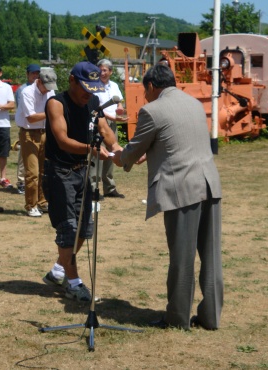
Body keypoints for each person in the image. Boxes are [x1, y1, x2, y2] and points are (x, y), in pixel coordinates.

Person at [113, 64, 224, 330]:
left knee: (182, 258)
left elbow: (134, 148)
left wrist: (117, 156)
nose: (145, 95)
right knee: (211, 256)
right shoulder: (194, 103)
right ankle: (211, 317)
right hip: (210, 183)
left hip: (182, 188)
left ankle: (177, 318)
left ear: (151, 86)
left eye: (145, 90)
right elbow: (175, 140)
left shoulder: (152, 110)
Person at [42, 61, 121, 302]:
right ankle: (74, 283)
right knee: (68, 230)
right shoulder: (56, 103)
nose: (90, 94)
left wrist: (117, 150)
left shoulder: (94, 103)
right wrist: (93, 150)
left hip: (82, 173)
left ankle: (58, 270)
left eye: (94, 89)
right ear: (72, 81)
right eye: (86, 88)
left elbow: (105, 129)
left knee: (85, 229)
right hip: (59, 173)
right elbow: (63, 140)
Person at [15, 68, 56, 217]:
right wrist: (52, 112)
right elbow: (31, 117)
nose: (49, 91)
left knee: (45, 171)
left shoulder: (50, 91)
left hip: (45, 132)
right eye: (46, 86)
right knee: (32, 173)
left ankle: (42, 202)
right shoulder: (27, 92)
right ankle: (31, 205)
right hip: (29, 134)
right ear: (38, 81)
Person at [91, 59, 128, 200]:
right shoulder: (94, 86)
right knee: (98, 154)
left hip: (112, 123)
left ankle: (109, 188)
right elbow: (96, 108)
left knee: (112, 153)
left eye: (105, 70)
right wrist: (111, 118)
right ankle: (93, 187)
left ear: (111, 72)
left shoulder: (114, 85)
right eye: (100, 70)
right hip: (99, 123)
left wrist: (119, 108)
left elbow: (119, 102)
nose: (102, 73)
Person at [14, 64, 41, 195]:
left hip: (40, 127)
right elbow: (24, 110)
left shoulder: (44, 88)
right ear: (28, 74)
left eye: (37, 73)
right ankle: (21, 182)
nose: (35, 76)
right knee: (23, 158)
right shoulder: (23, 90)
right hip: (27, 127)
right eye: (33, 73)